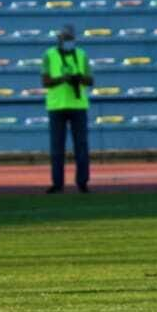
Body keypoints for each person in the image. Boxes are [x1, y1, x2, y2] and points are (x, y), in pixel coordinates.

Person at [42, 25, 92, 193]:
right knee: (57, 147)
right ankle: (58, 183)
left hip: (78, 106)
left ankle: (82, 182)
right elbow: (45, 81)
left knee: (81, 147)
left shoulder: (81, 55)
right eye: (65, 39)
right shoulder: (49, 55)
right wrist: (63, 79)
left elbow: (90, 80)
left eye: (70, 38)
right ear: (59, 39)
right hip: (57, 106)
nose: (67, 42)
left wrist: (79, 79)